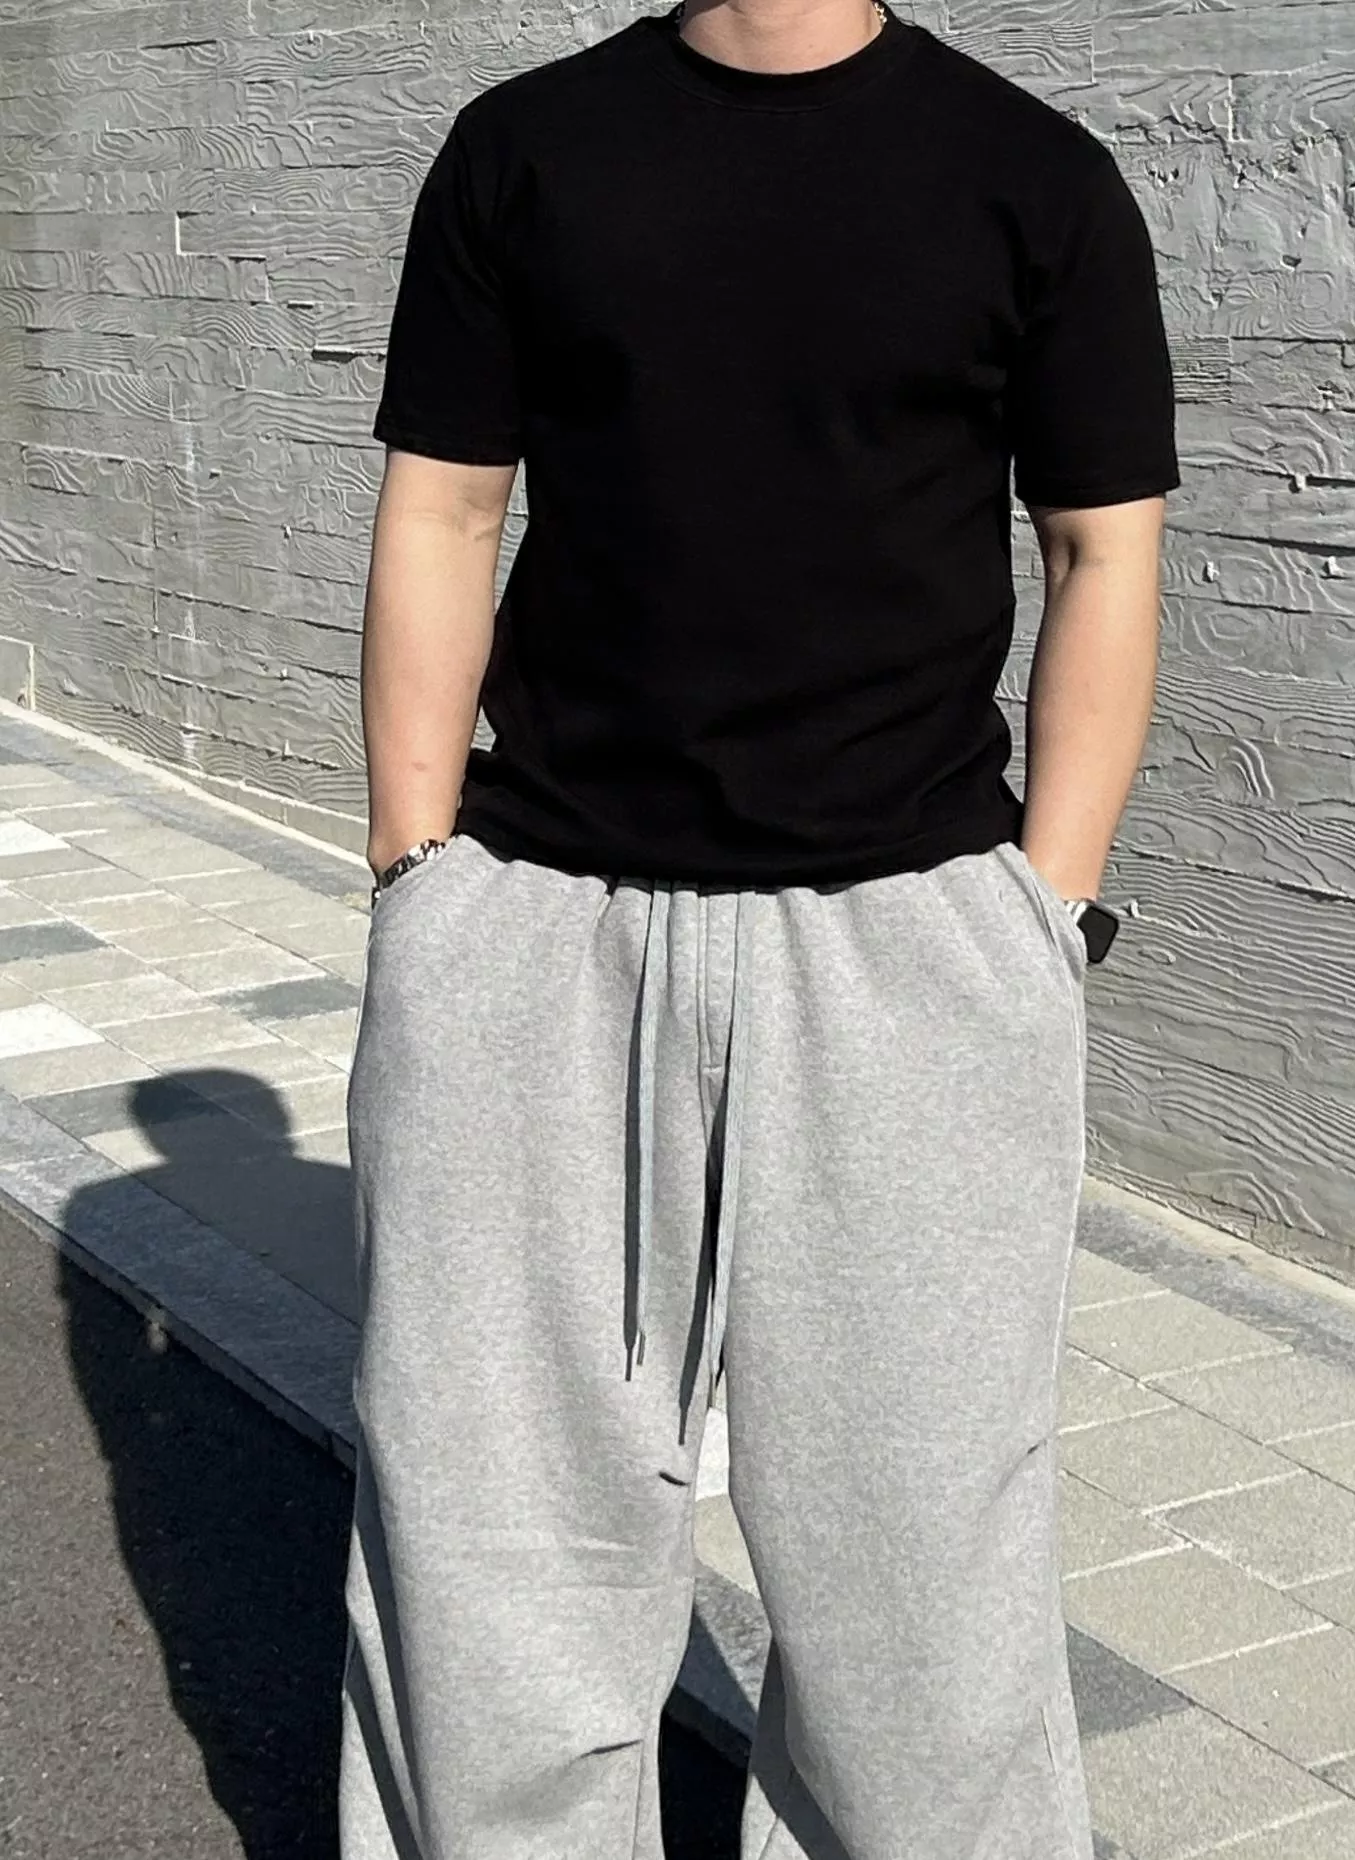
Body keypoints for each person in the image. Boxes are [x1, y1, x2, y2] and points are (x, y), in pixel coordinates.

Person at [341, 0, 1177, 1852]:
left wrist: (1042, 911)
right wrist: (420, 879)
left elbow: (1103, 546)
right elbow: (447, 507)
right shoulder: (525, 149)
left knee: (923, 1576)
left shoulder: (1032, 178)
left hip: (909, 950)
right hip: (542, 928)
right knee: (494, 1547)